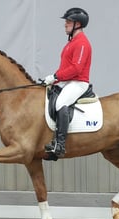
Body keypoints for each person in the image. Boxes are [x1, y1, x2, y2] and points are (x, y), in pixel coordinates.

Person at [44, 7, 92, 158]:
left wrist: (55, 76)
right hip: (67, 81)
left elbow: (77, 68)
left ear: (78, 24)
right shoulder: (71, 42)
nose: (65, 24)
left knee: (60, 103)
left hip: (78, 82)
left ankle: (60, 144)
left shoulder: (82, 43)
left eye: (68, 22)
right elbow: (66, 67)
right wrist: (54, 80)